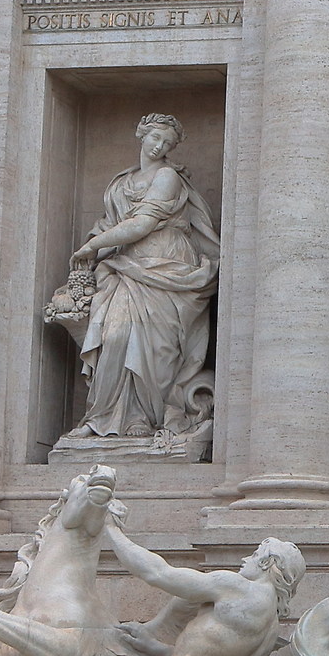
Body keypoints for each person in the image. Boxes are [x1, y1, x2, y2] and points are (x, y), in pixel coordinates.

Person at [53, 113, 219, 441]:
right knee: (114, 336)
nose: (159, 146)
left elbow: (142, 224)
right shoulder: (121, 183)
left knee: (156, 346)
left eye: (167, 143)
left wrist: (93, 246)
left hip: (167, 267)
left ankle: (143, 418)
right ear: (141, 134)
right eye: (155, 137)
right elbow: (111, 225)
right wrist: (93, 254)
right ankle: (101, 416)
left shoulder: (167, 177)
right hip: (126, 266)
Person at [103, 524, 304, 656]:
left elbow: (158, 573)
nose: (244, 559)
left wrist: (112, 529)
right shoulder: (272, 628)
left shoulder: (238, 588)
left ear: (266, 562)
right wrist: (151, 646)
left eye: (254, 555)